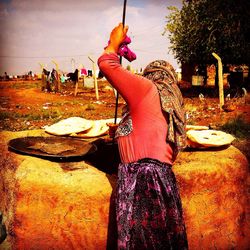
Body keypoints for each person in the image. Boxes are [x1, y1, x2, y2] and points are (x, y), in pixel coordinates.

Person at [98, 23, 188, 250]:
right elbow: (148, 136)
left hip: (142, 182)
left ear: (151, 76)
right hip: (160, 182)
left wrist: (113, 43)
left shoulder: (148, 89)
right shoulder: (169, 106)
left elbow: (107, 64)